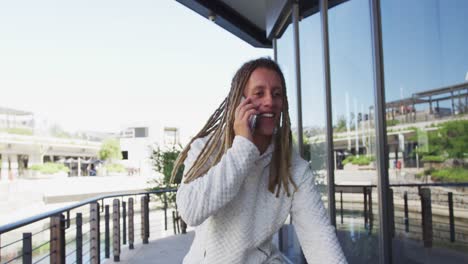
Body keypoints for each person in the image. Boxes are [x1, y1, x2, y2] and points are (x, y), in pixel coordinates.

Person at [172, 58, 347, 263]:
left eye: (277, 94)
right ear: (239, 102)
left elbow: (318, 237)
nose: (269, 101)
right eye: (259, 93)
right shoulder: (205, 149)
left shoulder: (293, 168)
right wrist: (243, 148)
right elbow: (190, 211)